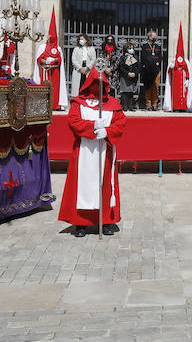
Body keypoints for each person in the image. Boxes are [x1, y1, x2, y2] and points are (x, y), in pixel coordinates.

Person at [58, 69, 126, 237]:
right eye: (95, 84)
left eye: (102, 84)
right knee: (83, 185)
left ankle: (107, 221)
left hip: (104, 149)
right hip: (84, 149)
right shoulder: (78, 103)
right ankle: (81, 223)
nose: (98, 88)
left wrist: (108, 132)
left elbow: (121, 123)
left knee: (104, 184)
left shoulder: (113, 104)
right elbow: (73, 121)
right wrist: (93, 126)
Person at [33, 11, 67, 110]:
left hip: (55, 72)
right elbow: (39, 59)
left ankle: (55, 105)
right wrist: (45, 61)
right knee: (44, 88)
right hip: (45, 71)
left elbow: (60, 60)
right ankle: (43, 105)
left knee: (55, 88)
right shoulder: (42, 47)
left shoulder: (58, 48)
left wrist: (52, 60)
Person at [163, 25, 191, 112]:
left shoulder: (186, 61)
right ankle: (175, 107)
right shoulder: (173, 61)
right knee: (175, 94)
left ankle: (182, 107)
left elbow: (187, 70)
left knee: (183, 94)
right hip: (175, 79)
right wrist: (171, 68)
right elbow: (168, 71)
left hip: (182, 79)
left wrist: (187, 79)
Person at [138, 31, 163, 110]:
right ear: (149, 37)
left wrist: (158, 61)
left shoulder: (158, 47)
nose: (155, 38)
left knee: (156, 87)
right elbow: (144, 58)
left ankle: (155, 104)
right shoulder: (145, 46)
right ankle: (148, 104)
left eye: (156, 36)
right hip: (148, 70)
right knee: (148, 87)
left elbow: (160, 57)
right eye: (154, 36)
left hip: (156, 70)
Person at [114, 43, 142, 111]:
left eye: (132, 48)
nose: (131, 50)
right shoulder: (123, 58)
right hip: (125, 77)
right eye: (129, 48)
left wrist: (135, 73)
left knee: (131, 92)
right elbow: (121, 67)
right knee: (125, 92)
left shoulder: (136, 57)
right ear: (126, 49)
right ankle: (124, 106)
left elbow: (139, 67)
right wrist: (128, 73)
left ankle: (131, 106)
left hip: (133, 77)